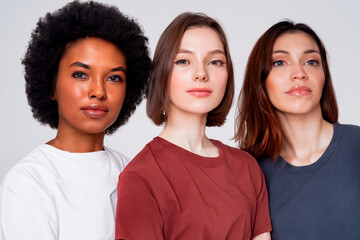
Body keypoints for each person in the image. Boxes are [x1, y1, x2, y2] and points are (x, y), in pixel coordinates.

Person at [0, 1, 151, 239]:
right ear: (52, 85)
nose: (98, 91)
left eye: (114, 78)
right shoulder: (30, 180)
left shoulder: (132, 171)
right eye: (80, 74)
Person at [115, 12, 271, 240]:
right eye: (184, 61)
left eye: (215, 62)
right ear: (162, 73)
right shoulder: (140, 177)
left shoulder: (247, 168)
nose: (201, 74)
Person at [234, 20, 360, 240]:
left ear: (324, 77)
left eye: (311, 61)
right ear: (261, 81)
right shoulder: (249, 172)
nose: (299, 73)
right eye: (280, 63)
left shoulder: (356, 146)